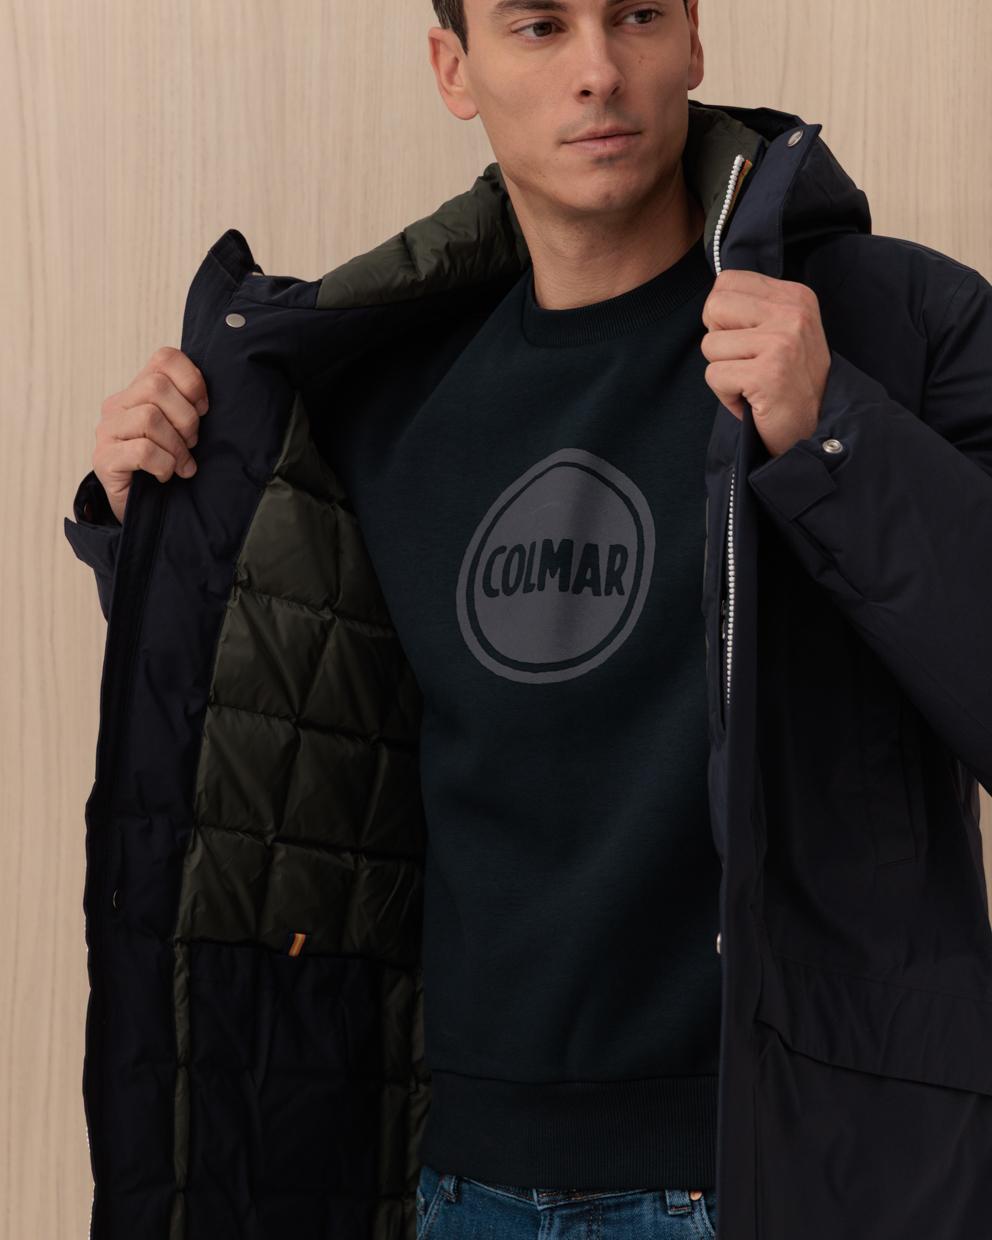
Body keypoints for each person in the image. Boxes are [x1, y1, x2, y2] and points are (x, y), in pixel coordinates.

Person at [63, 3, 992, 1238]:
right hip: (461, 1184)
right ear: (455, 69)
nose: (597, 71)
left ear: (692, 39)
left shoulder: (893, 324)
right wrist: (156, 535)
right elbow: (296, 743)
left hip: (798, 1168)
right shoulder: (376, 392)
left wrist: (835, 434)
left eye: (635, 15)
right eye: (540, 26)